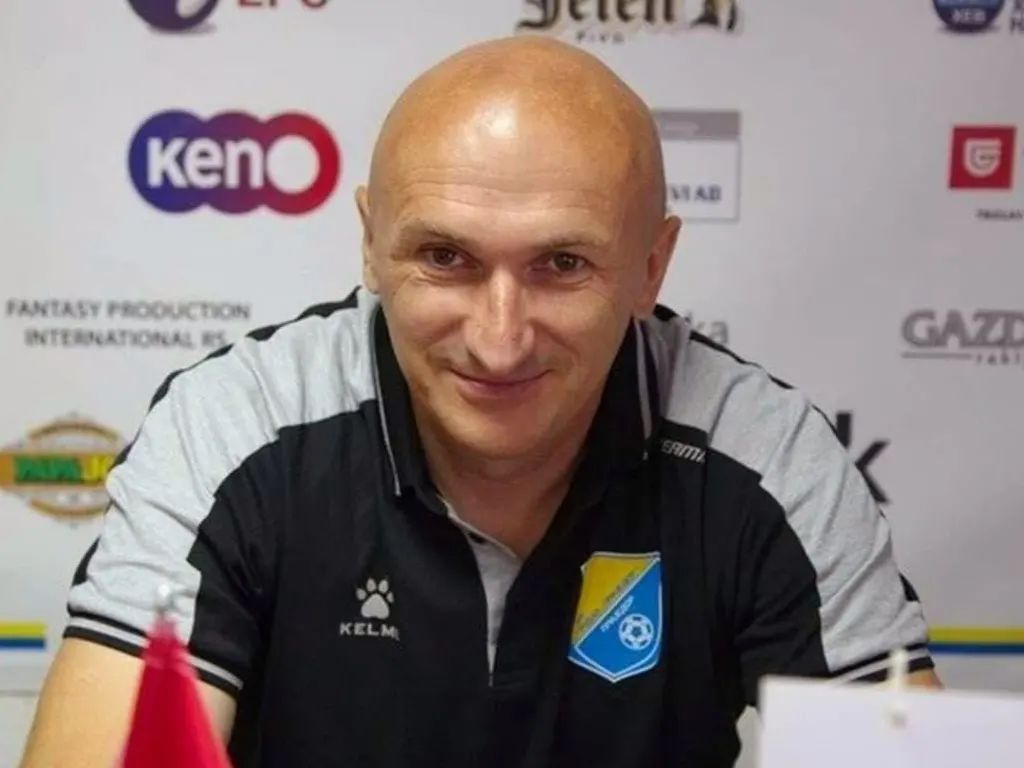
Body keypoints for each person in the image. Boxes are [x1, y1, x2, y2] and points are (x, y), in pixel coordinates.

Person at [21, 36, 940, 768]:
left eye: (563, 264)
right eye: (445, 258)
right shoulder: (236, 425)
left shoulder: (766, 457)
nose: (500, 340)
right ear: (371, 245)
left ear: (652, 267)